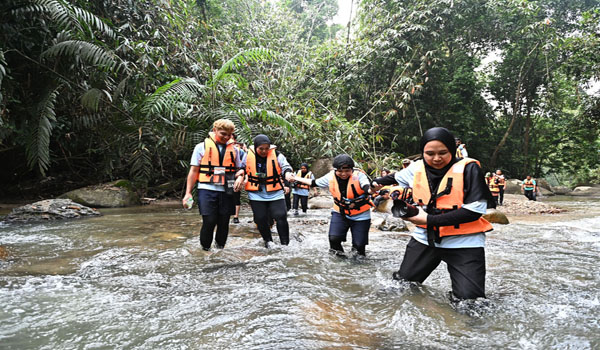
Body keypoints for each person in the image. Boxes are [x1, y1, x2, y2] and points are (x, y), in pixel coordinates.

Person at [372, 127, 493, 301]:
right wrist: (375, 183)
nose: (436, 158)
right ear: (423, 153)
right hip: (425, 239)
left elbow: (474, 211)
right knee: (399, 287)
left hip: (464, 242)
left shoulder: (469, 169)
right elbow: (396, 177)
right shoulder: (417, 167)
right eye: (430, 153)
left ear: (452, 150)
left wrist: (429, 219)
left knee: (470, 303)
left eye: (443, 152)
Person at [291, 154, 373, 257]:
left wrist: (372, 189)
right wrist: (295, 178)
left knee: (359, 246)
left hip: (361, 214)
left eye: (347, 171)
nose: (343, 174)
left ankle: (356, 263)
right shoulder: (331, 176)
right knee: (334, 239)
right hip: (340, 212)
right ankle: (340, 261)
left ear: (352, 169)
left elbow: (367, 187)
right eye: (340, 171)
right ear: (335, 170)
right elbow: (313, 182)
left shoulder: (359, 175)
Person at [183, 119, 246, 251]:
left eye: (229, 135)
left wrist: (241, 176)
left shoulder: (234, 150)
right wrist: (188, 193)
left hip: (226, 190)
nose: (226, 137)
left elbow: (240, 168)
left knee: (223, 223)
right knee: (210, 221)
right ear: (214, 130)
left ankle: (219, 251)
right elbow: (194, 171)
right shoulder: (201, 147)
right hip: (206, 189)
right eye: (223, 133)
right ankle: (205, 251)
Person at [245, 134, 294, 247]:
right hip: (256, 193)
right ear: (256, 147)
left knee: (281, 216)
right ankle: (268, 241)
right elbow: (242, 168)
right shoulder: (247, 156)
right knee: (260, 218)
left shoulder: (277, 155)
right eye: (261, 149)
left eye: (267, 148)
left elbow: (286, 167)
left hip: (275, 192)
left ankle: (285, 244)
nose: (264, 151)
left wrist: (287, 174)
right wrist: (240, 177)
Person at [231, 134, 247, 224]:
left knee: (236, 194)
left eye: (232, 138)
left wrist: (241, 176)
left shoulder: (238, 151)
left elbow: (242, 165)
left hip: (235, 175)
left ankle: (235, 216)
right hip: (223, 177)